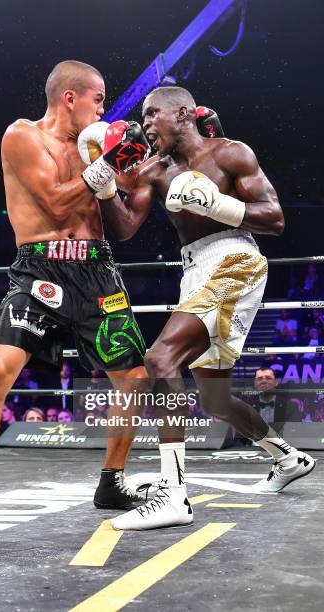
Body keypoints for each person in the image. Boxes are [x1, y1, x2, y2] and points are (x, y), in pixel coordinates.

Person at [0, 60, 150, 531]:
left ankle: (112, 480)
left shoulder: (95, 146)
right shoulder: (22, 136)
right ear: (70, 97)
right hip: (38, 272)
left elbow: (125, 218)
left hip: (96, 270)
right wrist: (108, 163)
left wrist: (125, 168)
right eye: (99, 98)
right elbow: (53, 201)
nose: (104, 108)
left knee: (133, 376)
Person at [89, 85, 315, 529]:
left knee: (160, 358)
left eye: (154, 114)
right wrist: (104, 189)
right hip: (193, 271)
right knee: (213, 398)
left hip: (236, 258)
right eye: (144, 116)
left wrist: (219, 205)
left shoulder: (231, 154)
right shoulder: (153, 170)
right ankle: (288, 458)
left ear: (184, 114)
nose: (147, 124)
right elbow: (126, 228)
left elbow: (274, 218)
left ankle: (173, 495)